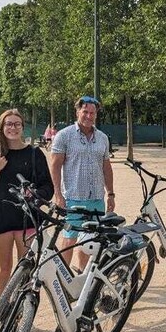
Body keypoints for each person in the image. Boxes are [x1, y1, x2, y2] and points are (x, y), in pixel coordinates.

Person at [0, 109, 54, 296]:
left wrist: (34, 194)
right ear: (1, 128)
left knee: (26, 268)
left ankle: (22, 309)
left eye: (17, 124)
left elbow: (48, 188)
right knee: (4, 268)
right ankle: (4, 311)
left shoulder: (35, 154)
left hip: (27, 218)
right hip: (1, 217)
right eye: (9, 124)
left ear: (23, 127)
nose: (13, 128)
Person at [50, 96, 114, 271]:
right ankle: (62, 275)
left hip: (96, 198)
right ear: (77, 112)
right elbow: (55, 166)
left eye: (92, 112)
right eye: (85, 111)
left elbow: (106, 167)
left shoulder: (102, 138)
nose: (88, 116)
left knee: (90, 239)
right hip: (73, 197)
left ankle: (82, 273)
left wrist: (110, 193)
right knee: (69, 237)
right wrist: (58, 194)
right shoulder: (64, 136)